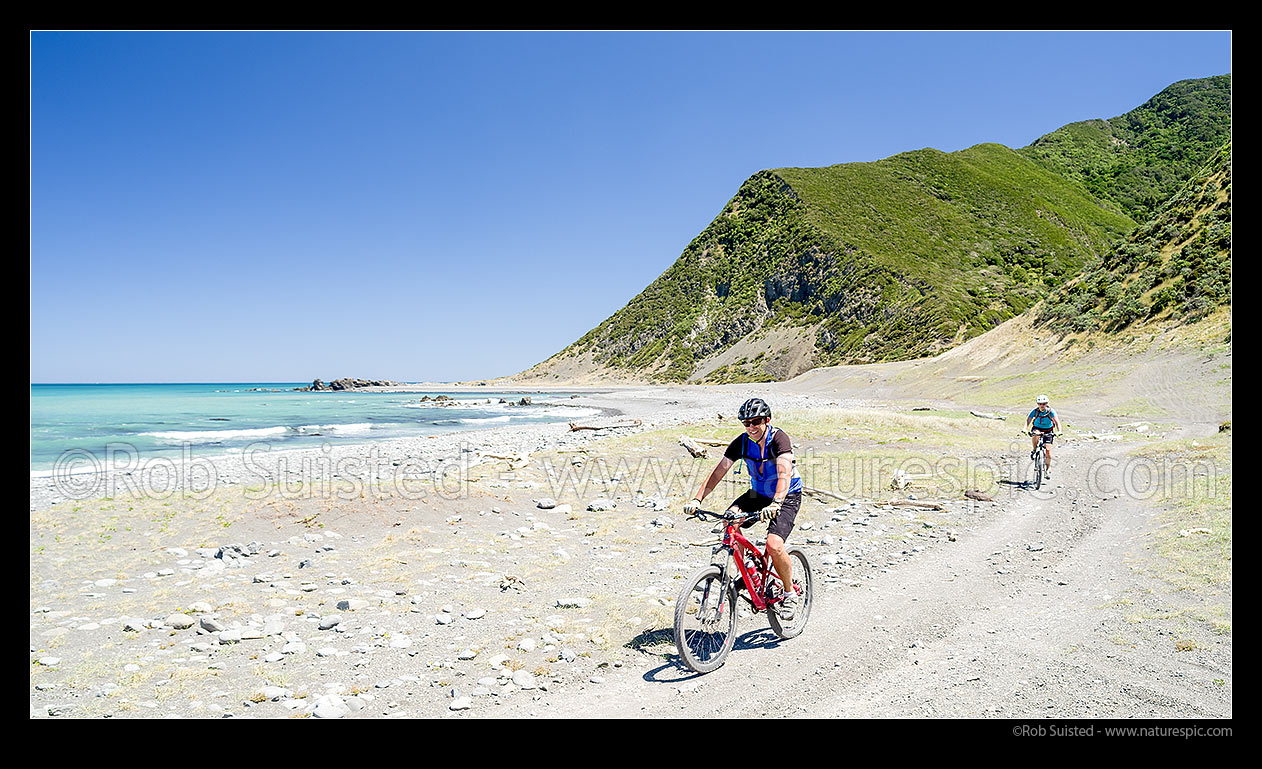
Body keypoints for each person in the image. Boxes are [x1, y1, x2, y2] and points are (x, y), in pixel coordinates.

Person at [684, 398, 803, 619]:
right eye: (746, 423)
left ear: (767, 420)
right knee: (730, 521)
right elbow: (718, 472)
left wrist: (777, 502)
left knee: (774, 545)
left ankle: (789, 594)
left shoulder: (779, 438)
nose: (751, 427)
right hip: (759, 493)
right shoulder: (742, 442)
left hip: (786, 494)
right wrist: (697, 500)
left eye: (756, 421)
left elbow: (784, 473)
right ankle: (748, 571)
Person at [1025, 394, 1061, 479]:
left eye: (1044, 404)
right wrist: (1024, 428)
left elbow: (1057, 422)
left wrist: (1059, 431)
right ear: (1037, 404)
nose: (1042, 405)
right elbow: (1028, 420)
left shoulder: (1051, 411)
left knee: (1048, 450)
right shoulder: (1035, 411)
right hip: (1037, 428)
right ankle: (1034, 450)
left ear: (1046, 403)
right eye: (1040, 404)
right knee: (1035, 434)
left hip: (1048, 430)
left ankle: (1047, 470)